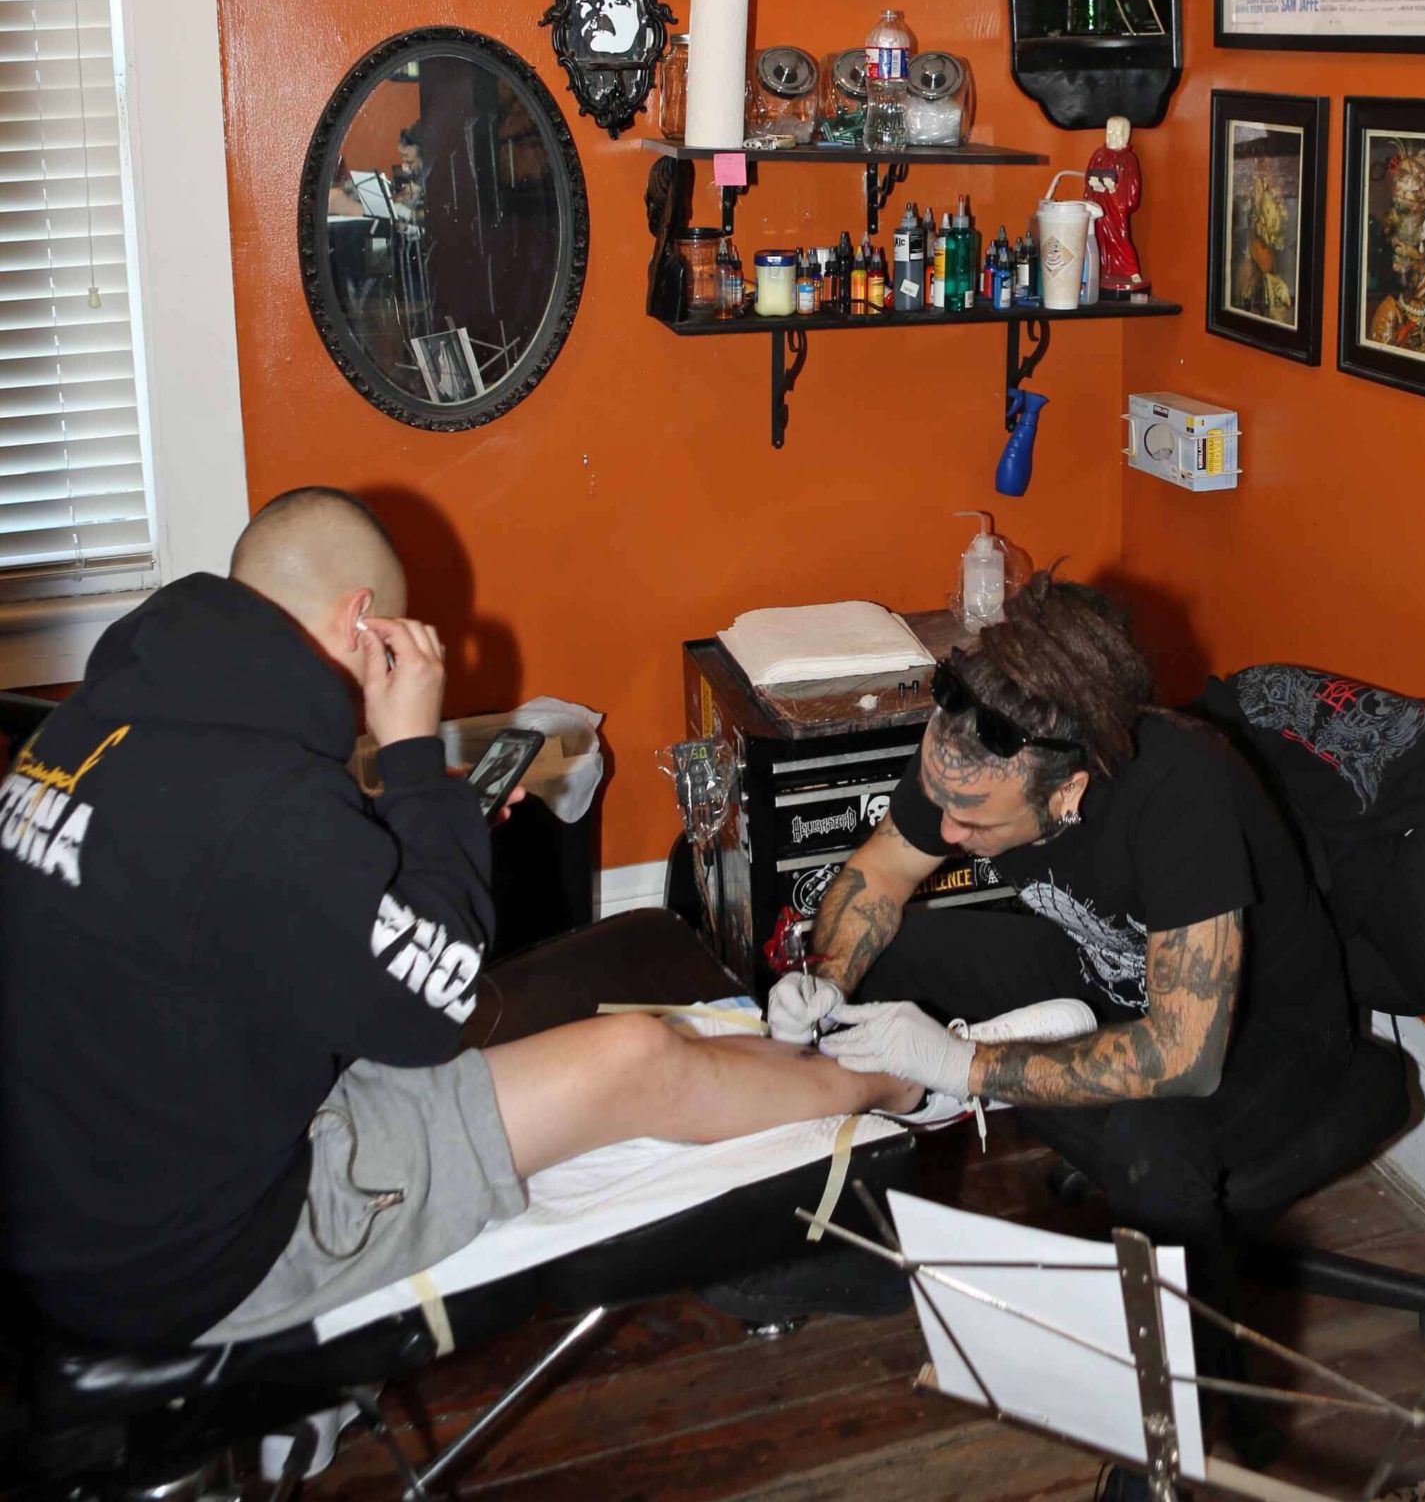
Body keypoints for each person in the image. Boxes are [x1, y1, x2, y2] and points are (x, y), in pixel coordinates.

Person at [0, 489, 919, 1351]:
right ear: (364, 622)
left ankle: (817, 1065)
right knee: (635, 1058)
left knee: (636, 1042)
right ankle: (897, 1082)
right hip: (194, 1256)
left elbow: (220, 880)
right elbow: (431, 1011)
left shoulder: (100, 720)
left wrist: (413, 814)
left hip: (79, 1194)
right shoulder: (267, 806)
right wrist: (409, 752)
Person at [770, 574, 1354, 1477]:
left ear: (1070, 792)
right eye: (942, 804)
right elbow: (880, 874)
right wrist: (825, 973)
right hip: (1099, 975)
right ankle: (831, 1235)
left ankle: (1179, 1433)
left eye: (973, 819)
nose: (947, 833)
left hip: (1262, 1038)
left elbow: (1183, 1054)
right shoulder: (972, 748)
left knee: (1151, 1143)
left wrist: (965, 1064)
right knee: (890, 952)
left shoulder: (1183, 790)